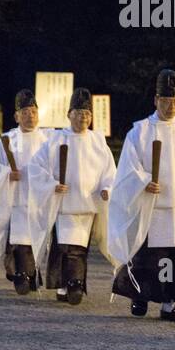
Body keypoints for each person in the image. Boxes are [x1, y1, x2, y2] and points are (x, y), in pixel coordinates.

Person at [108, 69, 175, 321]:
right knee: (147, 259)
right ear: (156, 100)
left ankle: (169, 302)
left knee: (174, 261)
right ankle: (139, 296)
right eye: (165, 101)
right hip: (151, 207)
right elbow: (128, 169)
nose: (171, 106)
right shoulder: (140, 132)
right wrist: (144, 181)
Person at [28, 88, 116, 305]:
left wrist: (107, 188)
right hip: (63, 205)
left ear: (92, 117)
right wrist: (51, 185)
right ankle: (62, 284)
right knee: (63, 247)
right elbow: (36, 167)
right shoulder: (55, 139)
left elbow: (110, 172)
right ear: (69, 115)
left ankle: (75, 283)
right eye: (78, 113)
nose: (82, 118)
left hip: (87, 205)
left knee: (78, 248)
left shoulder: (97, 142)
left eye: (86, 114)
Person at [0, 90, 49, 295]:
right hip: (16, 200)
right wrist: (6, 174)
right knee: (20, 241)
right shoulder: (8, 139)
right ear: (17, 116)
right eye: (26, 112)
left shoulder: (48, 139)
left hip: (40, 200)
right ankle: (22, 274)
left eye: (34, 111)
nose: (30, 116)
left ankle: (33, 272)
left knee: (38, 240)